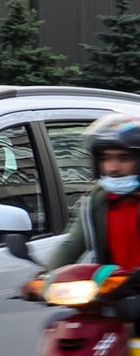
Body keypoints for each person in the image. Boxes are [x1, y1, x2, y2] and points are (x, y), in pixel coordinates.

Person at [32, 114, 140, 289]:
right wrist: (42, 278)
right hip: (115, 294)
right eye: (105, 159)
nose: (112, 168)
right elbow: (73, 243)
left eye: (124, 158)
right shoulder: (96, 198)